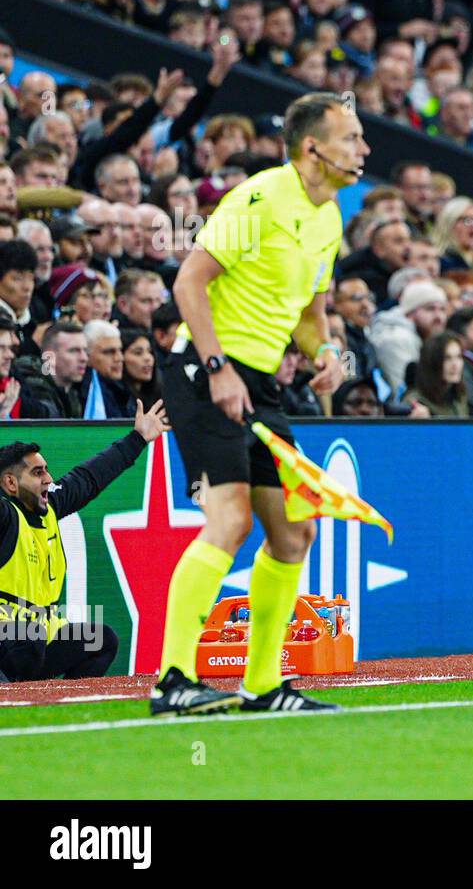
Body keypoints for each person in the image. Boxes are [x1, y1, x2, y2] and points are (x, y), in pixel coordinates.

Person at [153, 92, 359, 717]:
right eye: (350, 138)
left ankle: (263, 686)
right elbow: (189, 280)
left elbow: (310, 315)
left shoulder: (330, 218)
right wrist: (217, 368)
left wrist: (325, 353)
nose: (363, 149)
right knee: (231, 520)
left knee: (294, 531)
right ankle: (172, 681)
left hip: (261, 381)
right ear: (312, 148)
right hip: (203, 368)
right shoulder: (262, 197)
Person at [0, 400, 169, 681]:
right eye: (37, 472)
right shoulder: (6, 517)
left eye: (47, 470)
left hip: (40, 633)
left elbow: (90, 478)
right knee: (27, 642)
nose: (48, 479)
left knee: (101, 641)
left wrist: (138, 439)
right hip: (8, 632)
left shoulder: (51, 508)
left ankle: (53, 706)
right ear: (10, 484)